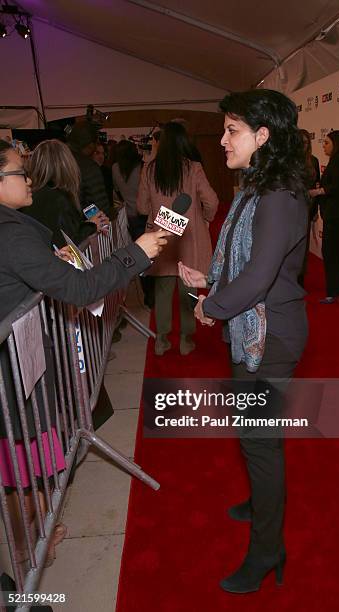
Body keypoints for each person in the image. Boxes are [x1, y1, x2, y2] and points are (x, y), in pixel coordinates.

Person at [0, 140, 168, 565]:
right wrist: (137, 253)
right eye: (21, 171)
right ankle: (26, 554)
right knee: (21, 466)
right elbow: (80, 288)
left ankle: (36, 535)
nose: (30, 179)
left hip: (20, 371)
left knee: (28, 463)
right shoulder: (9, 233)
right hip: (14, 377)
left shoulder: (15, 228)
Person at [178, 89, 308, 594]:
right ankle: (259, 502)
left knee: (259, 443)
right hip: (254, 329)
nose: (224, 140)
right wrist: (208, 284)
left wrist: (210, 307)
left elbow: (259, 277)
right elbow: (242, 262)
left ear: (263, 135)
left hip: (271, 335)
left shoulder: (277, 194)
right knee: (253, 434)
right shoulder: (258, 186)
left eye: (233, 130)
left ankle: (268, 549)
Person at [137, 121, 218, 356]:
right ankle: (186, 339)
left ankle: (162, 339)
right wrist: (204, 219)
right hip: (190, 239)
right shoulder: (193, 168)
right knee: (189, 288)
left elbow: (142, 207)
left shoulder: (150, 170)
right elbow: (211, 201)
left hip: (161, 236)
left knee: (163, 290)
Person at [24, 139, 109, 247]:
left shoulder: (30, 195)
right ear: (67, 164)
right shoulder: (59, 198)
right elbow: (69, 241)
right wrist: (92, 226)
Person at [309, 130, 339, 303]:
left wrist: (317, 191)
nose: (324, 146)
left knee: (330, 253)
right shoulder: (338, 162)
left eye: (327, 143)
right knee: (334, 253)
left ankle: (333, 292)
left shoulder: (338, 162)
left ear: (336, 145)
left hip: (337, 216)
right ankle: (337, 289)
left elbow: (336, 187)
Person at [67, 121, 112, 216]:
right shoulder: (88, 166)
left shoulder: (61, 161)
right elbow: (100, 205)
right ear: (90, 144)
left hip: (63, 223)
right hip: (84, 225)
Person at [298, 128, 321, 287]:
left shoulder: (314, 160)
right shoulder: (290, 162)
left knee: (304, 247)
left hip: (309, 206)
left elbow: (317, 185)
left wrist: (315, 210)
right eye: (301, 142)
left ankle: (300, 281)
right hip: (294, 206)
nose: (304, 145)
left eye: (306, 142)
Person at [112, 140, 143, 239]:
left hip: (127, 213)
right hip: (142, 212)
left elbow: (116, 189)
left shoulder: (115, 167)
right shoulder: (141, 167)